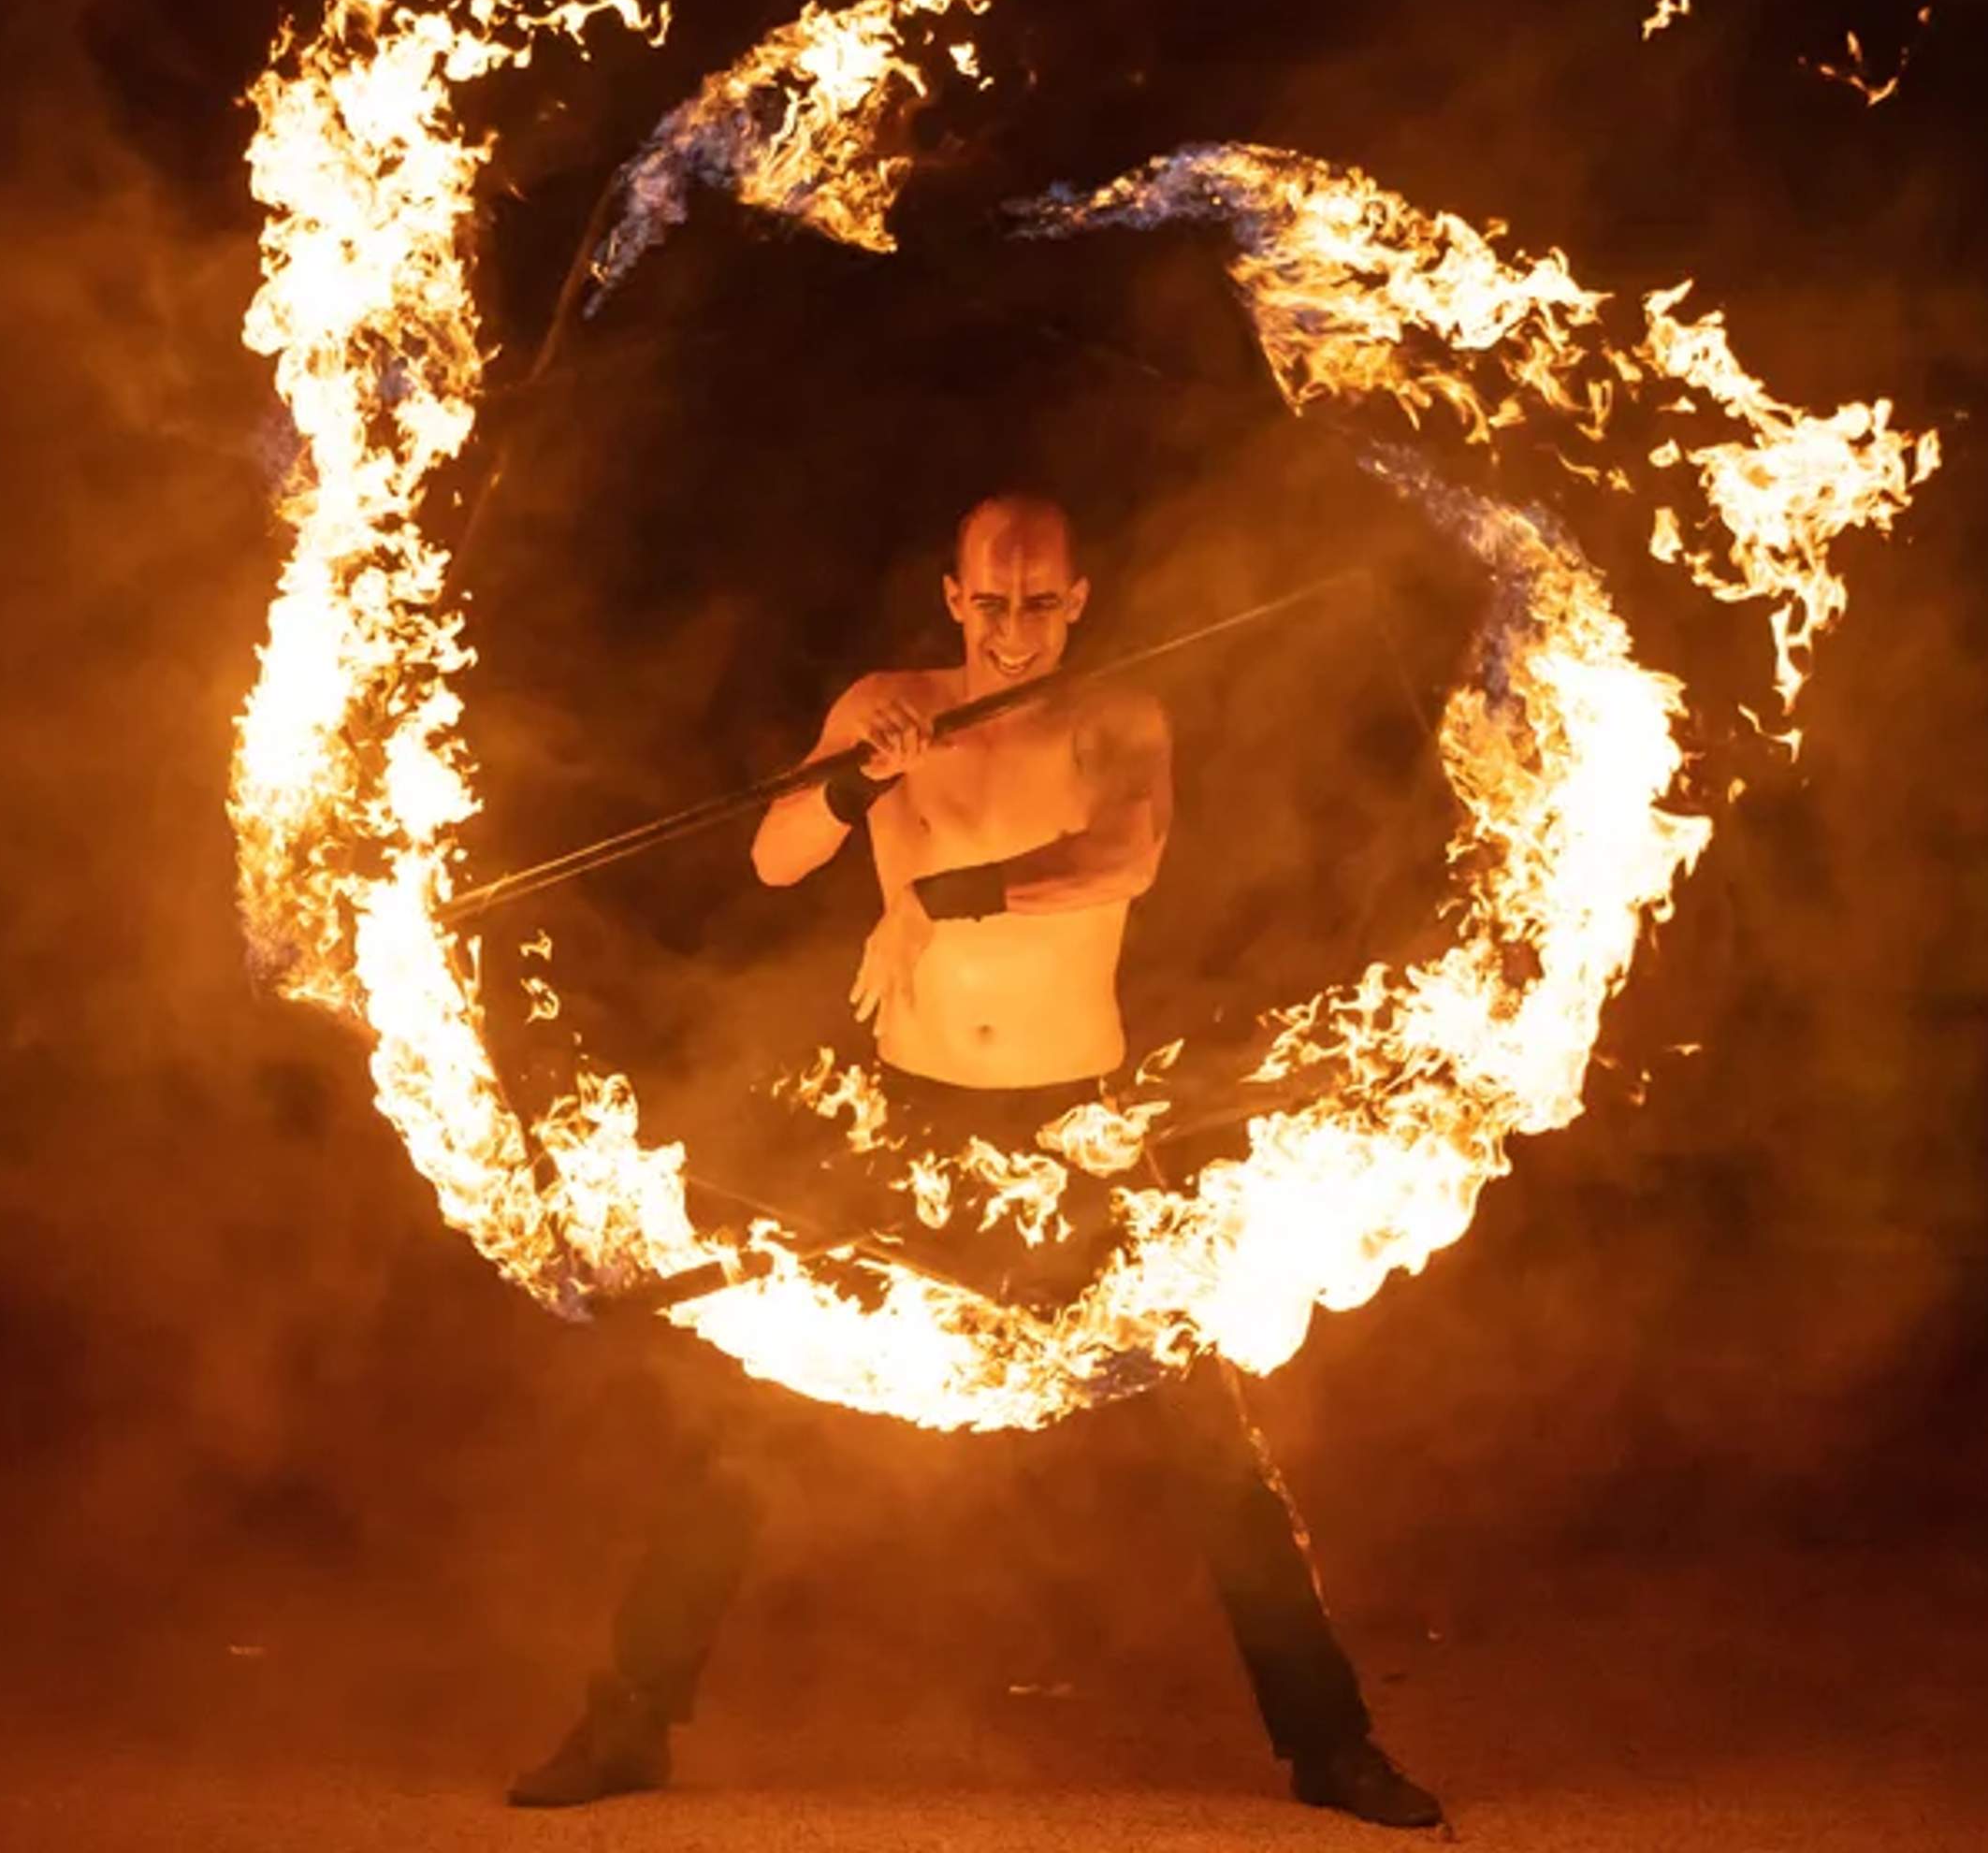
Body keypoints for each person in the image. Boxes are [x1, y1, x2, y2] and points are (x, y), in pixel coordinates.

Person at [506, 493, 1443, 1828]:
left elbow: (1123, 858)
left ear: (1078, 601)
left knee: (1207, 1439)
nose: (1013, 629)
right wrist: (863, 778)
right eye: (990, 603)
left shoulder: (1118, 716)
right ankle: (629, 1724)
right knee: (750, 1416)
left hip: (1076, 1124)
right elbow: (775, 856)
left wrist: (940, 900)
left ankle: (1329, 1744)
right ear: (952, 597)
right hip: (911, 1114)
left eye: (1039, 602)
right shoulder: (886, 703)